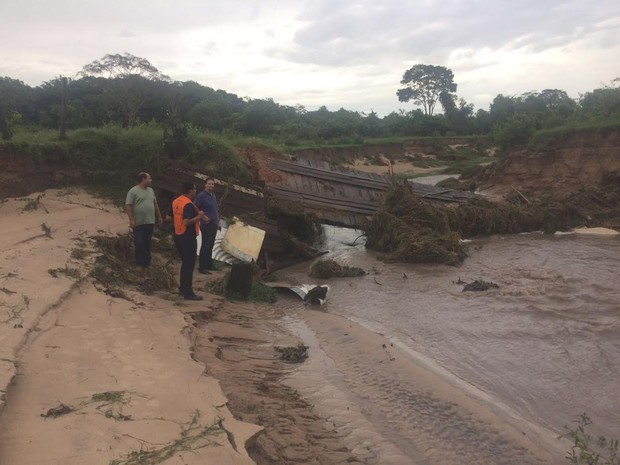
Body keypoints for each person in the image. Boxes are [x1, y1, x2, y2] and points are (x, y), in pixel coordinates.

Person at [172, 181, 204, 300]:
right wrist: (199, 217)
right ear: (190, 190)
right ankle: (187, 292)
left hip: (177, 236)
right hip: (187, 237)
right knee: (189, 265)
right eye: (195, 189)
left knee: (185, 264)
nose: (196, 191)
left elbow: (171, 217)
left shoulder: (176, 201)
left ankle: (183, 289)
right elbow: (186, 221)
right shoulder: (188, 204)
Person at [124, 172, 162, 270]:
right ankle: (139, 263)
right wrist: (131, 219)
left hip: (150, 221)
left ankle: (147, 263)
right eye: (149, 178)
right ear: (143, 179)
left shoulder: (151, 191)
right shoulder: (133, 191)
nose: (151, 180)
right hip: (138, 222)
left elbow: (155, 204)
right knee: (139, 242)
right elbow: (128, 205)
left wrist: (159, 217)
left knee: (147, 242)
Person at [194, 177, 220, 274]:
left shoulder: (213, 195)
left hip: (214, 223)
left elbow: (215, 208)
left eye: (212, 184)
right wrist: (203, 216)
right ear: (205, 185)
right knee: (205, 245)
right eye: (209, 184)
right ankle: (202, 267)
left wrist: (218, 220)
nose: (211, 185)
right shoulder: (201, 196)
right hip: (207, 223)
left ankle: (209, 264)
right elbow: (195, 207)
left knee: (211, 244)